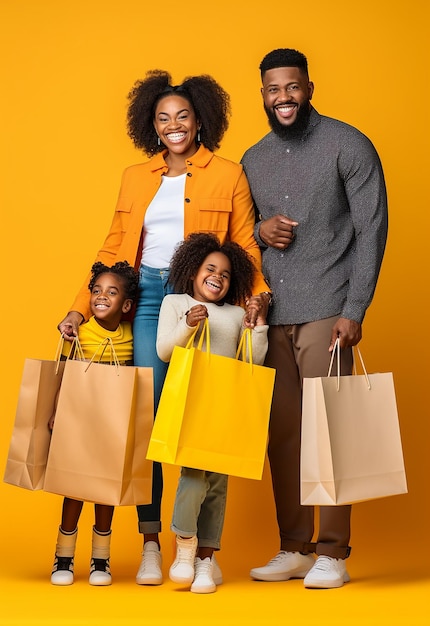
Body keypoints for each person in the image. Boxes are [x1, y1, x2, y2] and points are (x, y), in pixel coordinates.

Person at [57, 70, 270, 586]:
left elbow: (244, 244)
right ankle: (151, 542)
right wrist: (78, 308)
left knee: (202, 421)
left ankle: (196, 548)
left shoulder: (228, 173)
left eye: (183, 117)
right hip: (148, 298)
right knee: (151, 423)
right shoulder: (135, 176)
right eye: (163, 118)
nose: (174, 126)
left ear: (200, 121)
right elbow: (111, 250)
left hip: (204, 300)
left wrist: (257, 296)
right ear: (151, 125)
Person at [241, 48, 388, 588]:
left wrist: (356, 308)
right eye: (273, 89)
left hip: (329, 306)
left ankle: (333, 551)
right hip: (272, 315)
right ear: (263, 95)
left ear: (309, 87)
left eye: (292, 86)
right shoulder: (252, 158)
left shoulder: (348, 144)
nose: (283, 97)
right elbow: (242, 230)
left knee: (332, 430)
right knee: (283, 436)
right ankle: (294, 546)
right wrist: (259, 232)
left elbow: (372, 231)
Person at [156, 232, 269, 593]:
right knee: (193, 473)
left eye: (225, 273)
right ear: (193, 271)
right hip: (193, 400)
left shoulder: (237, 314)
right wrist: (187, 325)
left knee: (219, 483)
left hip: (226, 404)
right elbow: (163, 351)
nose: (217, 276)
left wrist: (259, 327)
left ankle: (206, 559)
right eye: (210, 268)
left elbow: (251, 360)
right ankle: (186, 547)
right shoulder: (176, 302)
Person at [49, 261, 139, 586]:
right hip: (78, 420)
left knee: (105, 486)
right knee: (74, 487)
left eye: (111, 293)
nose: (101, 297)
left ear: (126, 305)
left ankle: (101, 560)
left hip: (111, 425)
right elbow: (62, 373)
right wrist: (56, 410)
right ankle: (64, 557)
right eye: (97, 291)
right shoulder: (79, 333)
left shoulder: (131, 336)